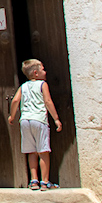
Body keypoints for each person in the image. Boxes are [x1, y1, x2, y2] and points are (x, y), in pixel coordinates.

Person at [8, 58, 63, 190]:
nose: (45, 71)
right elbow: (48, 101)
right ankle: (44, 181)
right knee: (43, 151)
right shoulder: (42, 84)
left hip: (25, 121)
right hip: (39, 120)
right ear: (36, 73)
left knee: (31, 151)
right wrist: (56, 118)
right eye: (43, 69)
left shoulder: (23, 86)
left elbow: (15, 100)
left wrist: (12, 115)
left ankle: (34, 180)